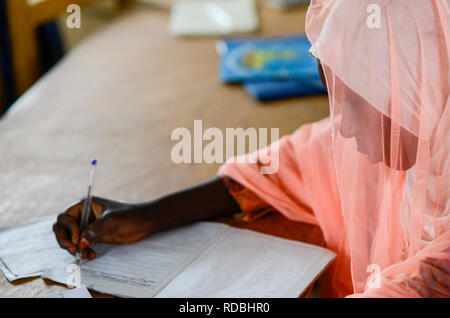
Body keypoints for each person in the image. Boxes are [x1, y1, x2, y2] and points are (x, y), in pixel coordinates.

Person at [53, 0, 449, 297]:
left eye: (355, 104)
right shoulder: (401, 134)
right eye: (334, 101)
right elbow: (283, 165)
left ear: (418, 93)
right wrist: (149, 214)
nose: (341, 126)